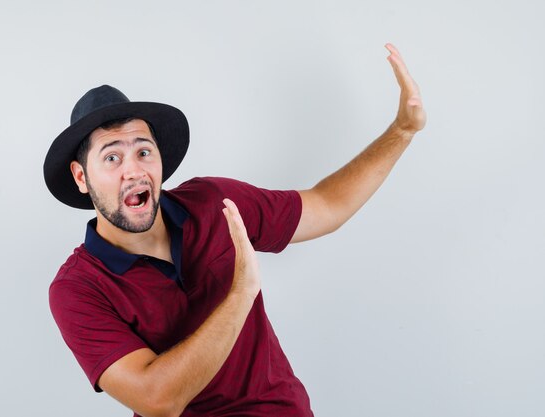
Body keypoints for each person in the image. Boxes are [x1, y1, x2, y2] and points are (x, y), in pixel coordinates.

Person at [44, 43, 426, 417]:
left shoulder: (214, 202)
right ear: (81, 176)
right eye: (112, 157)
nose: (134, 170)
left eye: (143, 152)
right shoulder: (77, 289)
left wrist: (402, 131)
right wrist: (241, 292)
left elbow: (327, 206)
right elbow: (157, 400)